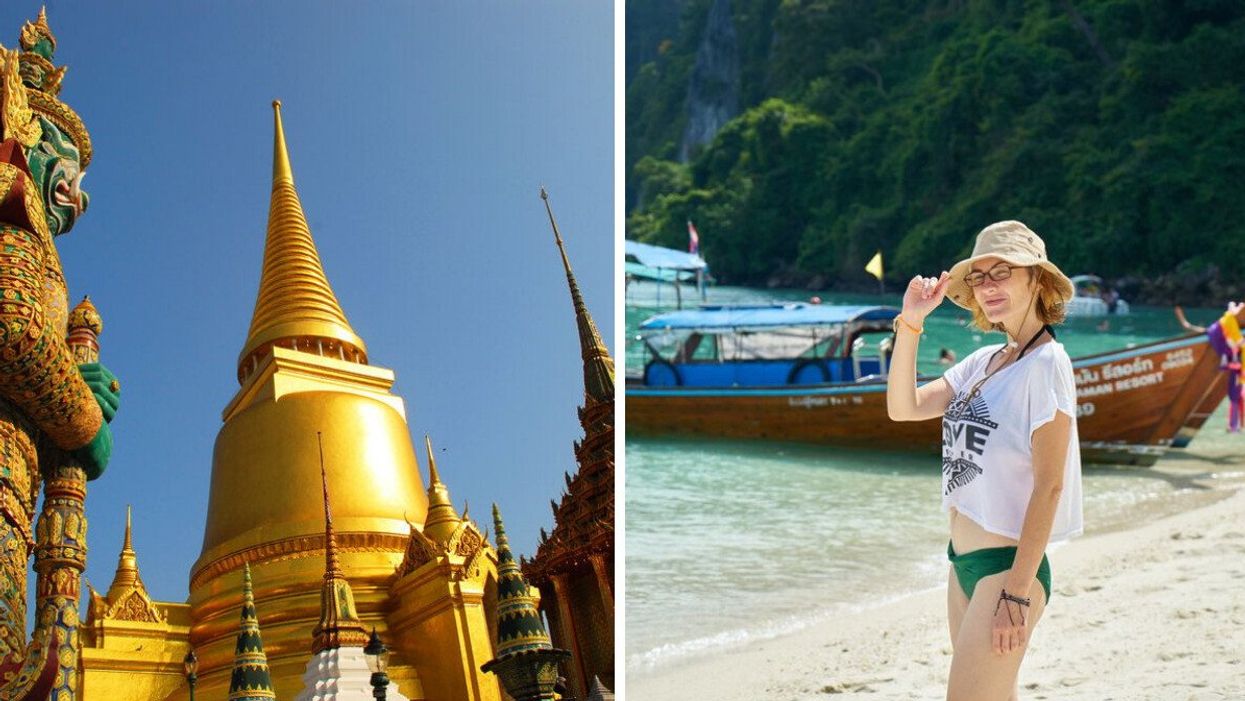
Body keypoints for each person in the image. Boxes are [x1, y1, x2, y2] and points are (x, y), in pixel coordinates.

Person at [885, 221, 1083, 700]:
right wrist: (911, 321)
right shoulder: (984, 361)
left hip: (1008, 569)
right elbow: (903, 407)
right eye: (979, 276)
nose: (988, 285)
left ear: (1037, 279)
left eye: (1003, 272)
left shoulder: (1047, 364)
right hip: (963, 564)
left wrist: (1016, 590)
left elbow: (1050, 486)